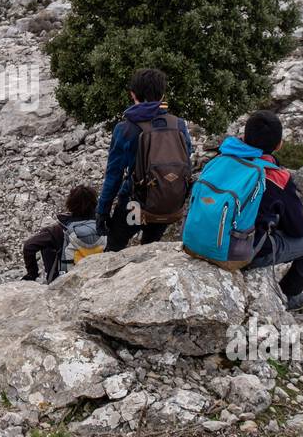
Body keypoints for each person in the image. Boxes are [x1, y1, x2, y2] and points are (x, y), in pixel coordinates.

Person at [240, 110, 303, 311]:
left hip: (206, 238)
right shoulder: (277, 177)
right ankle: (290, 295)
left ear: (244, 137)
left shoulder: (222, 159)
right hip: (247, 252)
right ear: (279, 144)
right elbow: (297, 229)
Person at [95, 68, 193, 252]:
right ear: (162, 95)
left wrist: (103, 211)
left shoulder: (125, 128)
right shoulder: (178, 124)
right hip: (167, 201)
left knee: (115, 249)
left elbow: (114, 175)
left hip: (135, 205)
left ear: (133, 94)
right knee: (150, 249)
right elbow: (187, 156)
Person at [22, 185, 102, 282]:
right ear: (95, 204)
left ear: (70, 204)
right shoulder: (104, 225)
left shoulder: (57, 230)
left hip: (65, 281)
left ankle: (52, 278)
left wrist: (32, 274)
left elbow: (28, 246)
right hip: (99, 275)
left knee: (48, 245)